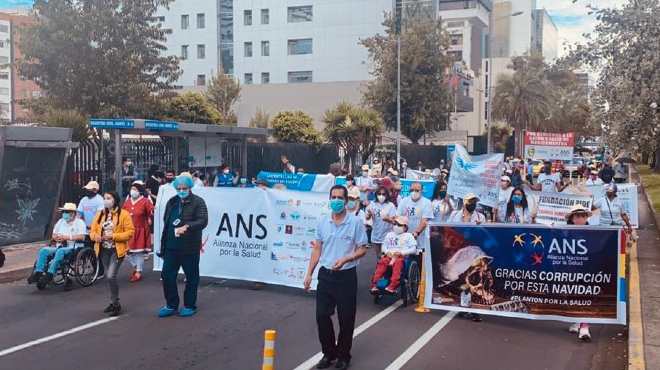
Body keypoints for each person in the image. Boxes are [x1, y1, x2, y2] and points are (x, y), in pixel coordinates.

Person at [303, 185, 368, 370]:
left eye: (340, 197)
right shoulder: (323, 222)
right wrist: (309, 273)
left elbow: (363, 248)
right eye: (333, 197)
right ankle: (328, 353)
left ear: (346, 201)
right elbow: (317, 248)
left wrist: (348, 258)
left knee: (346, 318)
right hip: (326, 275)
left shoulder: (355, 223)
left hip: (346, 276)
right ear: (329, 199)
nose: (336, 200)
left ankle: (343, 356)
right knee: (322, 316)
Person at [158, 172, 209, 318]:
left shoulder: (198, 202)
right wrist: (163, 246)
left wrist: (187, 226)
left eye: (184, 188)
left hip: (189, 247)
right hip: (171, 247)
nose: (181, 191)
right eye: (179, 188)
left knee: (192, 277)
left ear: (190, 187)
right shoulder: (172, 202)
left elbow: (203, 220)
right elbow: (167, 222)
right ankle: (171, 304)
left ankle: (189, 305)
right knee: (167, 275)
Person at [90, 191, 134, 316]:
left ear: (115, 200)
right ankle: (113, 302)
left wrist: (113, 236)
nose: (106, 200)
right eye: (104, 198)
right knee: (109, 279)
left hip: (116, 250)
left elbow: (130, 232)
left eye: (108, 198)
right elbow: (92, 231)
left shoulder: (123, 214)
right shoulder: (100, 214)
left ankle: (116, 304)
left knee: (110, 276)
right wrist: (96, 237)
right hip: (103, 250)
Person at [27, 203, 87, 290]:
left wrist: (66, 237)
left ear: (73, 213)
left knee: (61, 251)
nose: (64, 214)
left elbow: (82, 237)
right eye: (64, 212)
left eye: (66, 212)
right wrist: (56, 238)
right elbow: (54, 234)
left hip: (73, 247)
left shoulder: (80, 223)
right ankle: (38, 272)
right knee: (44, 250)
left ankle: (50, 274)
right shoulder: (61, 221)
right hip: (59, 245)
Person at [565, 204, 594, 341]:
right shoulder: (565, 231)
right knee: (573, 297)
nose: (580, 219)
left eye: (583, 216)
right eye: (577, 216)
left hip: (587, 270)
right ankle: (578, 322)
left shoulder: (594, 232)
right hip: (571, 270)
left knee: (584, 297)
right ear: (572, 218)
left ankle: (584, 328)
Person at [370, 216, 417, 294]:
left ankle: (392, 286)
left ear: (405, 227)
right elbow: (384, 246)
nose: (396, 226)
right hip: (389, 255)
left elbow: (414, 249)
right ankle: (374, 284)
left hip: (401, 257)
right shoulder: (389, 235)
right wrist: (387, 251)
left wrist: (402, 252)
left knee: (398, 263)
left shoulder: (408, 236)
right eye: (395, 224)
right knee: (382, 262)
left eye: (399, 225)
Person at [123, 181, 154, 282]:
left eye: (135, 190)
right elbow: (122, 213)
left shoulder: (145, 201)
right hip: (129, 230)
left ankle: (138, 271)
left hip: (140, 229)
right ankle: (136, 266)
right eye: (132, 189)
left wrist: (149, 218)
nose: (133, 191)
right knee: (126, 252)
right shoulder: (127, 202)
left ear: (140, 191)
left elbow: (151, 212)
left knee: (138, 253)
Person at [77, 180, 106, 277]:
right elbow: (79, 213)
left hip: (97, 230)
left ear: (95, 190)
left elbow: (100, 216)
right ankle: (93, 268)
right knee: (86, 249)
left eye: (89, 189)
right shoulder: (83, 200)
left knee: (96, 251)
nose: (87, 191)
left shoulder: (100, 200)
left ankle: (100, 271)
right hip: (85, 230)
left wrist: (93, 227)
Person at [396, 182, 433, 251]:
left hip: (420, 237)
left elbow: (424, 221)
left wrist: (417, 232)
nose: (414, 192)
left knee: (419, 258)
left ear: (422, 191)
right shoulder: (404, 201)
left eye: (417, 190)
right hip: (405, 237)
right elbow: (398, 217)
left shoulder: (427, 202)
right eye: (412, 190)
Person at [366, 187, 396, 256]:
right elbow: (367, 218)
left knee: (385, 255)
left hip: (387, 234)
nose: (381, 196)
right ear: (376, 195)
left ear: (386, 195)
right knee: (378, 255)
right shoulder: (372, 204)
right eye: (379, 194)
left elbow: (394, 221)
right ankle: (379, 264)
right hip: (376, 234)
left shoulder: (390, 205)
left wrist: (388, 219)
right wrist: (369, 214)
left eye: (383, 194)